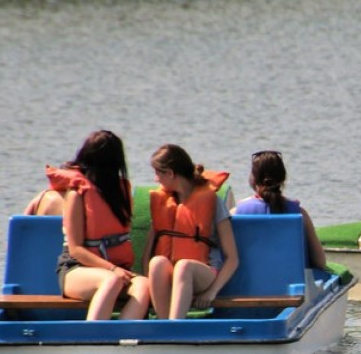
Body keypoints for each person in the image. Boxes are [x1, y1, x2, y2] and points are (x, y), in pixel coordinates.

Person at [55, 130, 151, 321]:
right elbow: (76, 250)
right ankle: (91, 338)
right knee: (112, 280)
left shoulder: (122, 189)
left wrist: (115, 269)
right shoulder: (76, 194)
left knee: (144, 285)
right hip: (76, 270)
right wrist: (112, 269)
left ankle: (122, 339)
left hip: (116, 270)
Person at [145, 144, 239, 319]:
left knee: (183, 266)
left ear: (171, 173)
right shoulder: (165, 203)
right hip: (171, 273)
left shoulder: (213, 202)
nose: (156, 179)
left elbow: (232, 258)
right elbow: (148, 255)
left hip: (204, 274)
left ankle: (175, 329)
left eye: (158, 173)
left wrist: (212, 292)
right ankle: (164, 327)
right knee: (157, 262)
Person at [232, 150, 327, 269]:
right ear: (283, 178)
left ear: (253, 179)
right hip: (292, 283)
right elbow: (320, 262)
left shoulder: (236, 213)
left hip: (247, 284)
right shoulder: (300, 214)